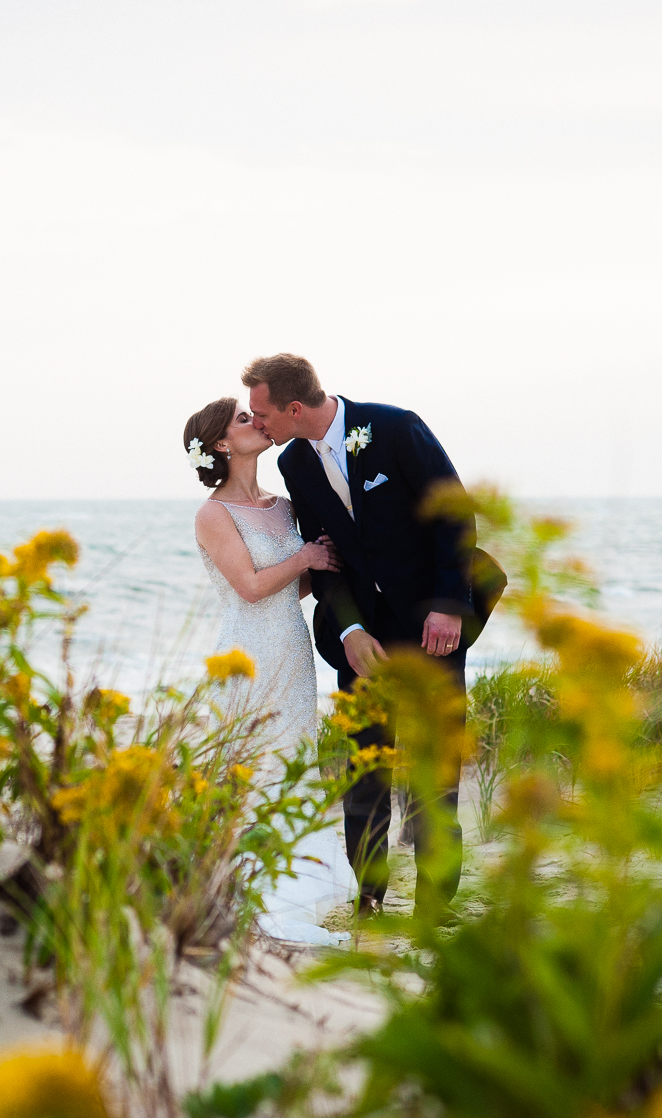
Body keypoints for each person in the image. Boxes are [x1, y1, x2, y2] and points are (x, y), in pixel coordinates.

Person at [242, 353, 475, 921]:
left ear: (294, 408)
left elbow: (455, 516)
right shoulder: (295, 463)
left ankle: (434, 907)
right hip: (363, 643)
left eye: (262, 413)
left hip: (432, 633)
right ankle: (368, 896)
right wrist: (347, 628)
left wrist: (448, 606)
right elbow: (326, 558)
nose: (258, 424)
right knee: (365, 770)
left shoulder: (396, 427)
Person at [184, 396, 358, 945]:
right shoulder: (213, 514)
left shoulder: (282, 506)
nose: (256, 423)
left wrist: (324, 563)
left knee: (291, 760)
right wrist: (305, 559)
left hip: (292, 647)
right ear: (219, 444)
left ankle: (283, 889)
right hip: (246, 653)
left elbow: (291, 586)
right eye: (243, 419)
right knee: (250, 766)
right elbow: (251, 586)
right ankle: (238, 891)